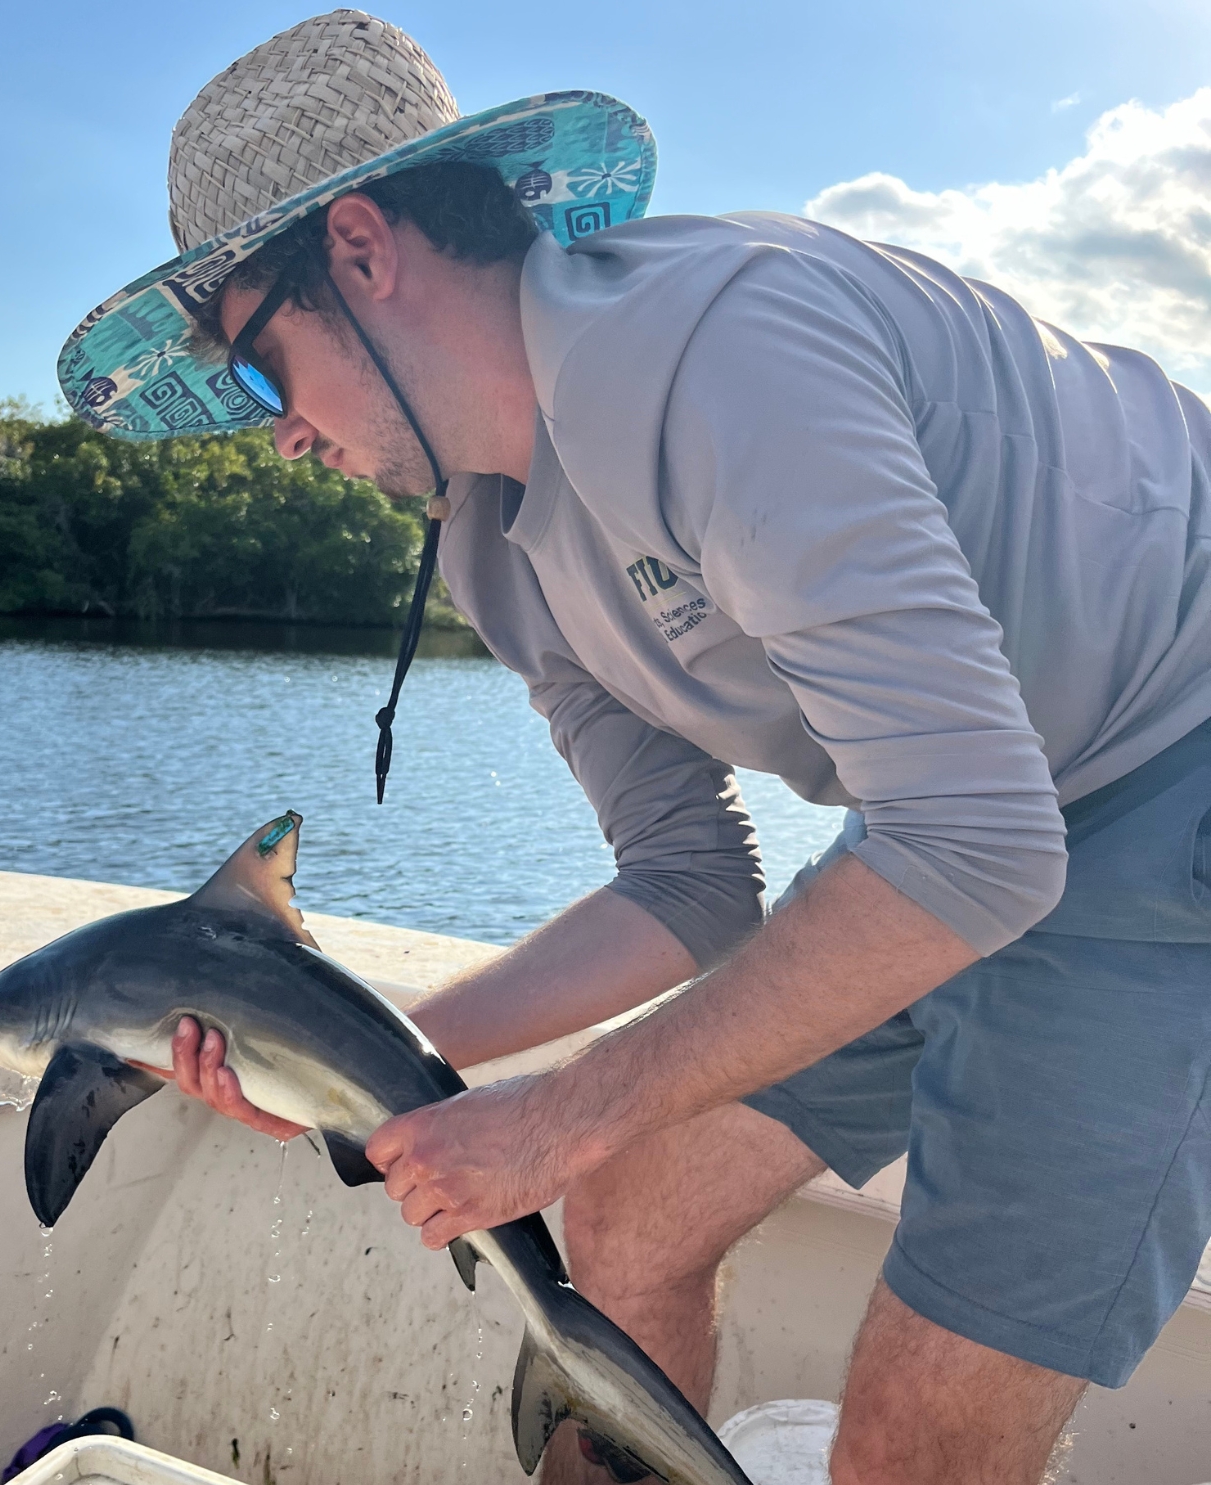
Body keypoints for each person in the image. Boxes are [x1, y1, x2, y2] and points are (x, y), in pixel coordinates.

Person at [61, 12, 1211, 1484]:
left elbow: (973, 846)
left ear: (358, 250)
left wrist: (554, 1111)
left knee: (910, 1444)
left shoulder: (720, 348)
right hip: (963, 812)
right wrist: (364, 1067)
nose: (271, 434)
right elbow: (686, 881)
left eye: (259, 371)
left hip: (1165, 785)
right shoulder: (489, 537)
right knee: (620, 1218)